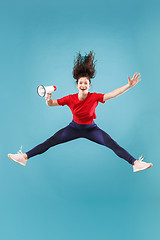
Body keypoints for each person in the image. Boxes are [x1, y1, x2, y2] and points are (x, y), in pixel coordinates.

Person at [8, 51, 153, 172]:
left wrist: (129, 85)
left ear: (89, 85)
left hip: (91, 129)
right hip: (73, 128)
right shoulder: (70, 98)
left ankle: (135, 163)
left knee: (112, 144)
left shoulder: (95, 97)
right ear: (77, 85)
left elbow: (113, 93)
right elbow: (50, 104)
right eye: (81, 83)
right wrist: (47, 98)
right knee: (50, 142)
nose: (83, 85)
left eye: (86, 83)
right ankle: (24, 157)